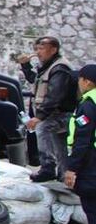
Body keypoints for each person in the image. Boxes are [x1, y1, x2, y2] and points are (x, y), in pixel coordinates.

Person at [19, 36, 75, 182]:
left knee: (42, 129)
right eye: (36, 49)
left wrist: (39, 117)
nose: (38, 52)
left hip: (59, 113)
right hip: (53, 113)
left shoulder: (60, 68)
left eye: (42, 48)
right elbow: (34, 80)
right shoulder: (48, 67)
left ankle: (47, 167)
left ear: (54, 49)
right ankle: (63, 173)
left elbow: (55, 95)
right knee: (59, 142)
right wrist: (26, 66)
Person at [65, 64, 96, 224]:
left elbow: (82, 141)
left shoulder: (88, 103)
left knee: (93, 210)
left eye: (79, 80)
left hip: (91, 163)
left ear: (86, 81)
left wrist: (72, 169)